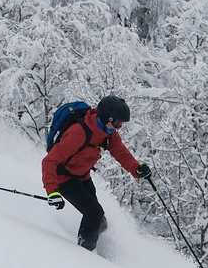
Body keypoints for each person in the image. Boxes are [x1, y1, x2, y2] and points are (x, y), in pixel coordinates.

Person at [41, 95, 152, 251]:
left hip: (82, 177)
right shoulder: (78, 133)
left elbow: (121, 153)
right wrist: (52, 192)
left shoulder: (108, 133)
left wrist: (136, 168)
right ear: (107, 117)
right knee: (94, 214)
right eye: (118, 123)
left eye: (121, 124)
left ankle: (96, 250)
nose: (119, 127)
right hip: (64, 179)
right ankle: (85, 255)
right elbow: (49, 161)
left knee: (100, 221)